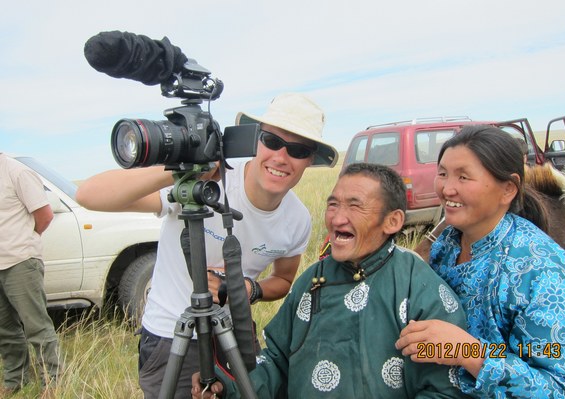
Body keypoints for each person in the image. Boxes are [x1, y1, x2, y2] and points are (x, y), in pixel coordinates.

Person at [76, 93, 338, 398]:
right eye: (271, 141)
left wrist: (246, 288)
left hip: (234, 332)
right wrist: (181, 173)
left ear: (310, 160)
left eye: (298, 150)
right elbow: (89, 195)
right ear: (255, 140)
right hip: (172, 336)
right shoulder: (205, 181)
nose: (281, 157)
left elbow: (282, 280)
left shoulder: (297, 220)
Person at [192, 162, 469, 398]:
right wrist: (226, 388)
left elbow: (445, 389)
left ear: (392, 221)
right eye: (333, 204)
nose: (337, 218)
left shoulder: (418, 288)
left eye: (354, 206)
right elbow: (276, 362)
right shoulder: (313, 281)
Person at [396, 125, 565, 398]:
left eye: (463, 177)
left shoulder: (544, 273)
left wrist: (467, 351)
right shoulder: (446, 246)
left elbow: (561, 390)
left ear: (508, 189)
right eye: (442, 174)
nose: (447, 188)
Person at [0, 152, 61, 393]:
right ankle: (15, 382)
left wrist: (23, 241)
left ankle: (53, 384)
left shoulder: (17, 172)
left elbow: (44, 216)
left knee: (36, 326)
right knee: (5, 330)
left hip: (21, 262)